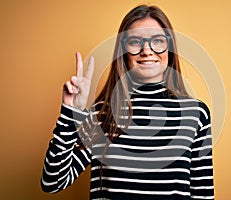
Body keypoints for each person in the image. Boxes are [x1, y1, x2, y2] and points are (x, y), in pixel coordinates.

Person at [41, 4, 214, 200]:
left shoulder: (196, 114)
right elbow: (53, 182)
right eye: (135, 42)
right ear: (123, 51)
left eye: (157, 41)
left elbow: (203, 194)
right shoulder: (101, 114)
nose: (147, 51)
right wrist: (72, 113)